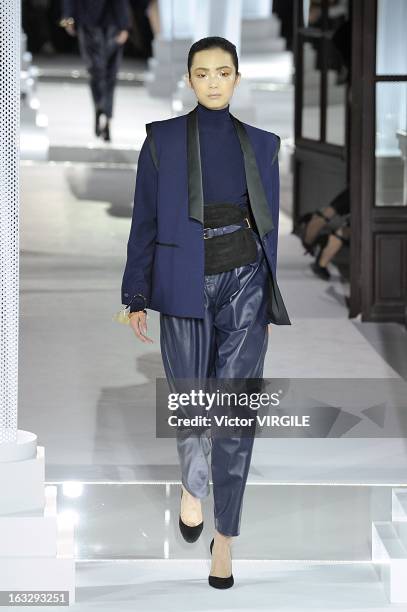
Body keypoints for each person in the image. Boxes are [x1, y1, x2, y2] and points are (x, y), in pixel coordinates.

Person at [120, 36, 291, 589]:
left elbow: (268, 225)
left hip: (243, 279)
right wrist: (136, 292)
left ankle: (225, 542)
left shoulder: (264, 146)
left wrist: (266, 291)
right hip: (183, 282)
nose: (214, 82)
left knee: (235, 415)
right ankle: (193, 486)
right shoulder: (162, 141)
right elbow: (144, 217)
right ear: (189, 80)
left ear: (238, 78)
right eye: (203, 73)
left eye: (223, 72)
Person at [60, 0, 131, 141]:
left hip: (96, 23)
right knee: (106, 74)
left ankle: (101, 109)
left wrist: (68, 17)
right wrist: (125, 26)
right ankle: (105, 115)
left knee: (98, 72)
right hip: (106, 24)